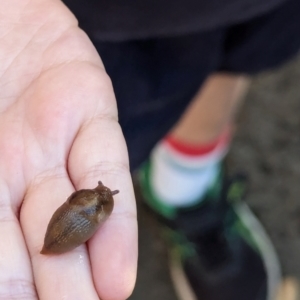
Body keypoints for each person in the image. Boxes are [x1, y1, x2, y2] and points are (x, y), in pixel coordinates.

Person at [0, 0, 299, 300]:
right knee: (127, 111)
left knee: (237, 52)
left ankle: (186, 183)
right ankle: (184, 185)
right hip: (113, 18)